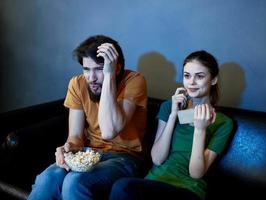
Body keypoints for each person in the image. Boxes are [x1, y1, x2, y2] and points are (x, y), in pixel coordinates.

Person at [28, 35, 147, 200]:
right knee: (46, 179)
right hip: (88, 153)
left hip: (124, 157)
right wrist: (68, 147)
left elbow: (109, 131)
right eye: (86, 69)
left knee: (75, 181)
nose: (91, 78)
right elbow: (76, 136)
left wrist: (109, 75)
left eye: (98, 69)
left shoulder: (135, 81)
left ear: (116, 68)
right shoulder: (77, 84)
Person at [109, 50, 233, 200]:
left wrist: (200, 129)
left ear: (213, 79)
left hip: (187, 189)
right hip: (154, 182)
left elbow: (196, 173)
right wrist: (173, 115)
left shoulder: (222, 122)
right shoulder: (169, 107)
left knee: (123, 187)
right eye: (187, 76)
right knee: (122, 187)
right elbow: (157, 159)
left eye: (199, 76)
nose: (191, 82)